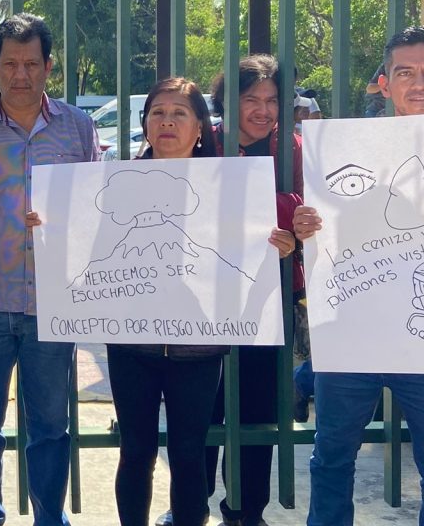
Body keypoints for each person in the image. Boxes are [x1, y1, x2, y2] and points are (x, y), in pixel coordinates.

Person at [101, 77, 295, 526]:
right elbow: (88, 249)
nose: (167, 121)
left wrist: (276, 246)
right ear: (145, 124)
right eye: (157, 113)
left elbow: (248, 250)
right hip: (131, 345)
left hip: (199, 347)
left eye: (179, 113)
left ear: (200, 128)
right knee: (136, 452)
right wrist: (48, 227)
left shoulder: (227, 185)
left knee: (189, 452)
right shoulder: (111, 184)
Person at [0, 13, 99, 526]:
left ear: (49, 66)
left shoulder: (80, 128)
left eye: (31, 63)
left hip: (53, 304)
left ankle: (50, 516)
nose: (20, 74)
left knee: (51, 425)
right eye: (10, 64)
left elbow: (96, 207)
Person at [295, 26, 424, 526]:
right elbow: (332, 227)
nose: (416, 83)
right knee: (331, 461)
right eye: (405, 73)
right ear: (384, 83)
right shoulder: (347, 148)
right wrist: (308, 224)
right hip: (352, 332)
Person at [203, 54, 303, 526]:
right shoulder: (205, 141)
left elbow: (314, 211)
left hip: (268, 296)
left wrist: (288, 221)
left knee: (259, 403)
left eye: (273, 99)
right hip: (199, 294)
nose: (263, 110)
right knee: (200, 400)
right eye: (251, 99)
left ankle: (245, 510)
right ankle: (190, 497)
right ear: (228, 101)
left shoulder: (295, 148)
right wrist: (279, 208)